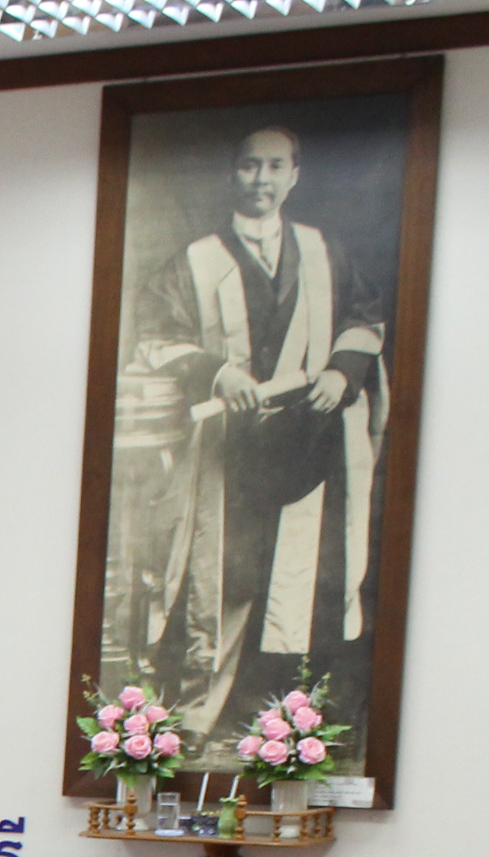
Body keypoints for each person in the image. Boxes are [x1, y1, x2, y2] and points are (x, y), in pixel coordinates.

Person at [130, 124, 388, 740]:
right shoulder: (196, 260)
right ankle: (199, 714)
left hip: (310, 442)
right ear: (233, 173)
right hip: (232, 448)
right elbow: (155, 336)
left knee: (305, 576)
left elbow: (364, 316)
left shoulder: (324, 252)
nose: (262, 180)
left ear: (294, 175)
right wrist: (216, 371)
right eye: (250, 166)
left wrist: (342, 371)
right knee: (227, 574)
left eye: (275, 167)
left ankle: (286, 721)